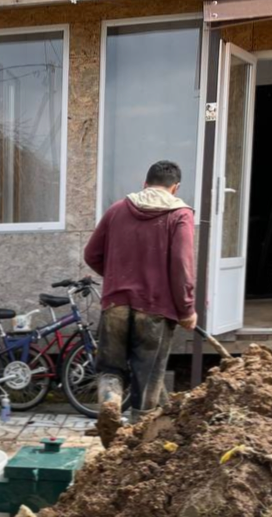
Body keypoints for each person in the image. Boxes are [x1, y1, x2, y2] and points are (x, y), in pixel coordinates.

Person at [84, 160, 197, 437]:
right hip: (155, 309)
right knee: (148, 375)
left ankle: (110, 402)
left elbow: (91, 254)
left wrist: (116, 278)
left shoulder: (117, 209)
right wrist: (186, 310)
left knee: (110, 368)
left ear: (145, 184)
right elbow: (182, 266)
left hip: (116, 304)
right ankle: (139, 434)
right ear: (175, 187)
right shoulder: (180, 215)